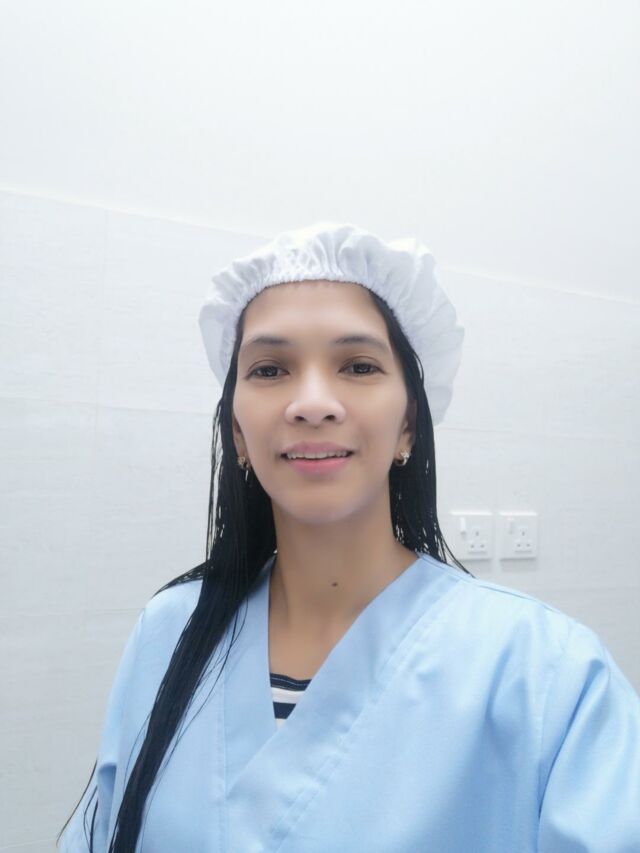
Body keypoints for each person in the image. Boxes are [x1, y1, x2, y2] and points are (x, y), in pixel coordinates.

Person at [58, 222, 640, 852]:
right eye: (270, 369)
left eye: (358, 366)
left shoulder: (547, 675)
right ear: (237, 433)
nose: (312, 403)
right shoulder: (167, 632)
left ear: (409, 423)